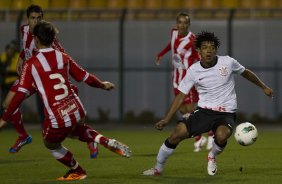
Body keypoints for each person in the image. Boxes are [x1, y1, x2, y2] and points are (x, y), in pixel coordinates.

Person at [0, 21, 132, 181]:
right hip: (76, 107)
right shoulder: (63, 56)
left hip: (58, 116)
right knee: (73, 130)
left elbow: (20, 95)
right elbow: (85, 76)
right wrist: (102, 85)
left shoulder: (31, 64)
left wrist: (4, 118)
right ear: (52, 38)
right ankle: (103, 140)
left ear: (35, 39)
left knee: (51, 144)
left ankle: (77, 170)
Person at [142, 31, 274, 176]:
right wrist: (166, 119)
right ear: (198, 50)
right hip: (204, 112)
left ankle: (212, 156)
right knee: (176, 135)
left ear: (216, 49)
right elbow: (180, 96)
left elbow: (245, 72)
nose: (209, 50)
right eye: (205, 47)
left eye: (212, 47)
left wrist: (263, 87)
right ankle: (158, 169)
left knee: (222, 135)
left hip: (226, 113)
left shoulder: (228, 62)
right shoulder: (194, 70)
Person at [1, 4, 98, 158]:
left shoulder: (49, 38)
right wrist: (21, 58)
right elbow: (26, 47)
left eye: (39, 18)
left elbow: (64, 58)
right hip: (29, 75)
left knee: (69, 107)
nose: (36, 21)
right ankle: (23, 136)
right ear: (28, 19)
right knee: (7, 104)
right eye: (33, 18)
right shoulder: (24, 30)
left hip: (44, 78)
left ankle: (90, 138)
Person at [155, 12, 214, 152]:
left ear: (189, 24)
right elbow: (171, 45)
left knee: (192, 109)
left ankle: (207, 136)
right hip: (176, 78)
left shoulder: (193, 40)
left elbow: (201, 56)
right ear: (176, 24)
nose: (182, 25)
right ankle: (201, 137)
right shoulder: (173, 32)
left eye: (185, 23)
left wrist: (205, 72)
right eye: (180, 22)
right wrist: (161, 53)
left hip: (188, 79)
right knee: (182, 110)